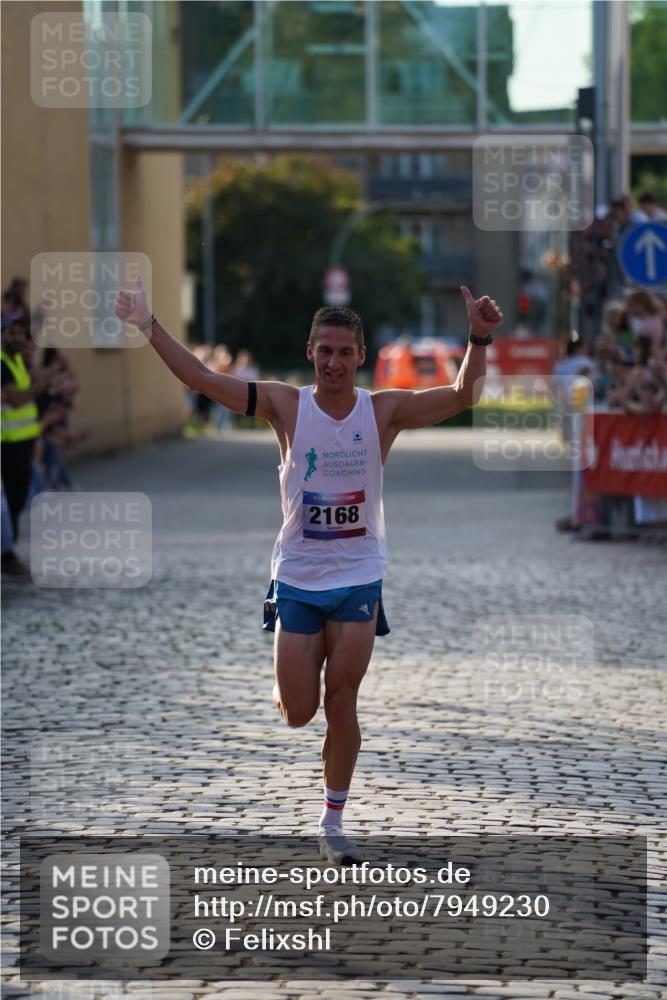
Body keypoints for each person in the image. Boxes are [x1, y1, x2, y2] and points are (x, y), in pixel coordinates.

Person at [115, 277, 503, 864]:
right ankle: (289, 678)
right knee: (300, 712)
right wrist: (147, 324)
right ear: (310, 352)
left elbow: (461, 396)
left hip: (358, 574)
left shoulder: (383, 411)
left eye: (345, 352)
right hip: (298, 575)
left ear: (361, 356)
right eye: (325, 350)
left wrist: (478, 338)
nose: (334, 362)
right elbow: (200, 379)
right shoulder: (286, 405)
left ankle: (333, 821)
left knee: (342, 700)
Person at [0, 316, 57, 575]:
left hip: (23, 442)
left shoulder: (16, 362)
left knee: (18, 500)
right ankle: (7, 556)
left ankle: (8, 552)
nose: (18, 338)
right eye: (12, 333)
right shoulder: (3, 364)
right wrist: (42, 385)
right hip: (8, 444)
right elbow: (18, 400)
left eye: (22, 334)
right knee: (11, 502)